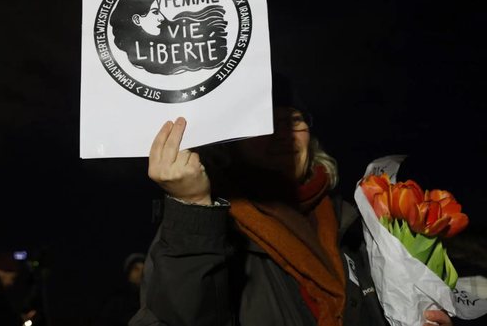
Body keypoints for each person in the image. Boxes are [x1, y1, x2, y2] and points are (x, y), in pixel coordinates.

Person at [129, 73, 454, 326]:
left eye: (294, 120)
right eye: (266, 123)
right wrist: (192, 207)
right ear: (234, 143)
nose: (283, 134)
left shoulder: (354, 223)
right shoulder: (207, 224)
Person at [95, 253, 146, 326]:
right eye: (136, 269)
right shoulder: (116, 300)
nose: (140, 273)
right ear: (128, 272)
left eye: (143, 270)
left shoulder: (149, 300)